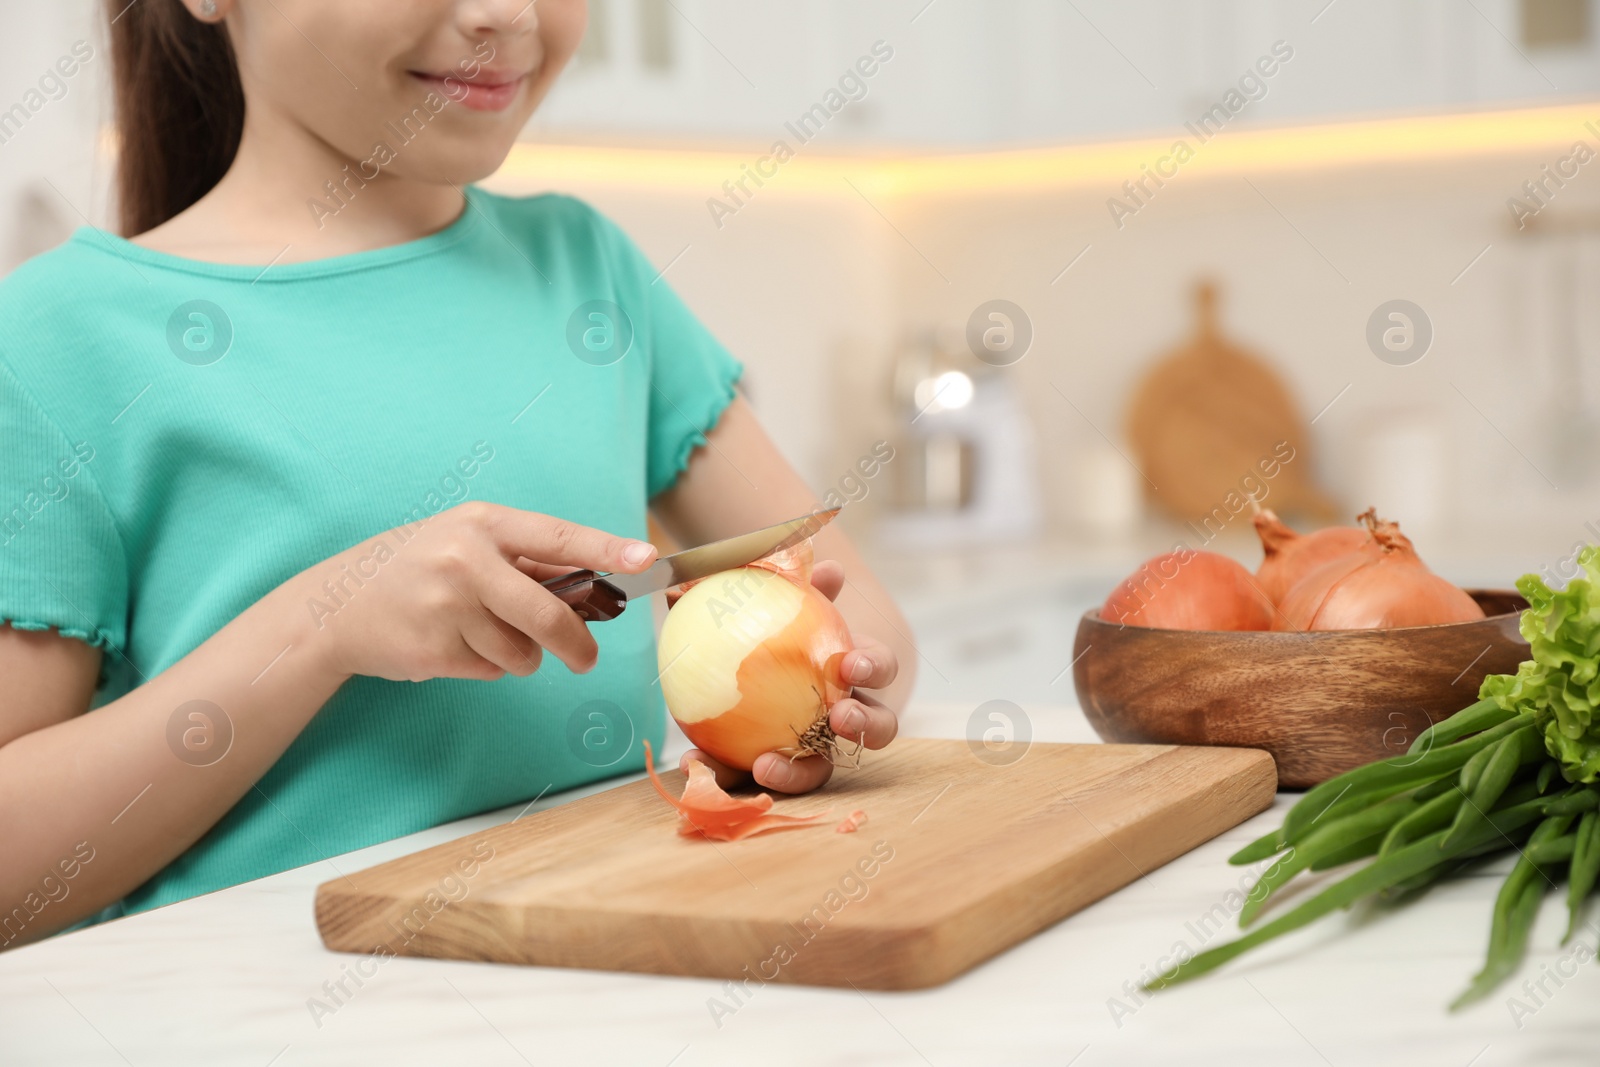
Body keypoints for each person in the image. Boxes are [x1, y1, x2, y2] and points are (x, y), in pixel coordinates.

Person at [0, 0, 912, 946]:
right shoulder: (56, 340)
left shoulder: (586, 271)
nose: (506, 12)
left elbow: (867, 628)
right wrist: (321, 625)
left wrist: (807, 710)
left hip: (613, 975)